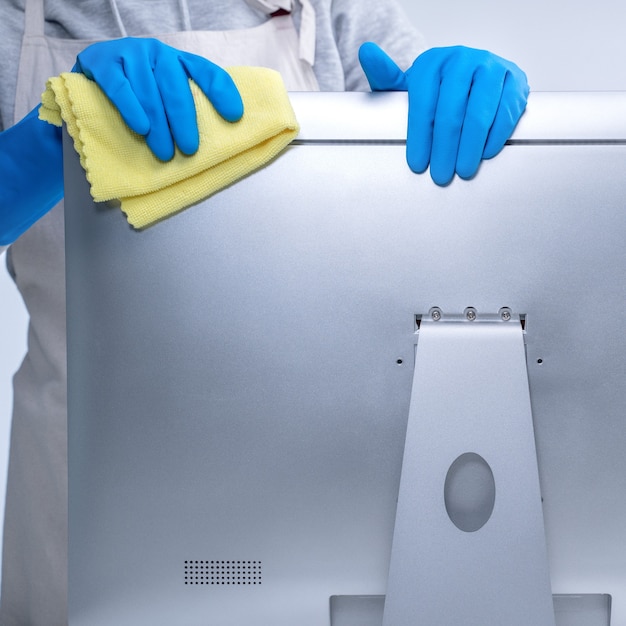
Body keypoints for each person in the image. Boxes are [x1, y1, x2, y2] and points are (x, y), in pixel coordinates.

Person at [0, 0, 529, 623]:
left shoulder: (327, 8)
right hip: (81, 504)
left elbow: (424, 184)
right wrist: (43, 142)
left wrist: (468, 103)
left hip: (313, 483)